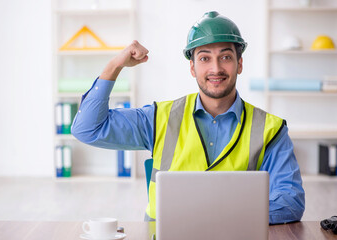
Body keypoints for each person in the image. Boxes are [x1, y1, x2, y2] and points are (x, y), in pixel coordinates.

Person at [71, 11, 305, 224]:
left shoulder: (271, 129)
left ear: (239, 64)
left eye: (225, 57)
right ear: (192, 68)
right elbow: (88, 129)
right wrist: (115, 66)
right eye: (204, 58)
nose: (216, 68)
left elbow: (290, 202)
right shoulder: (158, 118)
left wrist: (216, 216)